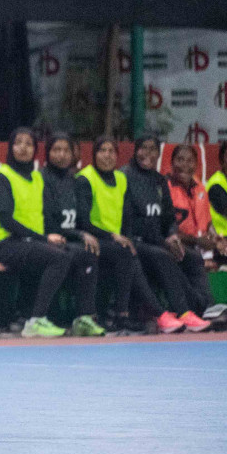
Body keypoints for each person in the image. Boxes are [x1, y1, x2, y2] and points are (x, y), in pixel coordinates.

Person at [0, 127, 77, 338]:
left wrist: (56, 237)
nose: (23, 148)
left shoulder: (37, 178)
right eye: (18, 143)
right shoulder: (1, 178)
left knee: (74, 253)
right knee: (59, 259)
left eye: (29, 144)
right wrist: (44, 239)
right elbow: (7, 221)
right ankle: (36, 320)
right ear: (10, 147)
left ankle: (73, 316)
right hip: (4, 243)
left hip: (29, 242)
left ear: (35, 149)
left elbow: (44, 215)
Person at [75, 136, 171, 333]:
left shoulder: (121, 179)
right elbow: (83, 221)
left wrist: (127, 238)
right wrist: (112, 236)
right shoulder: (85, 178)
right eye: (102, 151)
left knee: (128, 250)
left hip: (114, 240)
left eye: (112, 151)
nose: (107, 155)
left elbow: (126, 216)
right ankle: (129, 314)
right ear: (94, 154)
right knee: (124, 253)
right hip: (93, 237)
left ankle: (126, 314)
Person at [125, 136, 211, 332]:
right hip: (134, 241)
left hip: (157, 240)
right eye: (143, 148)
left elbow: (169, 218)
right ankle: (182, 311)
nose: (148, 153)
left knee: (193, 257)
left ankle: (205, 307)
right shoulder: (125, 176)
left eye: (153, 149)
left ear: (158, 154)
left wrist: (172, 235)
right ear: (135, 150)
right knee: (163, 255)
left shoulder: (158, 180)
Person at [37, 133, 105, 335]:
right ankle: (47, 316)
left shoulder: (74, 180)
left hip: (70, 238)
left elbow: (82, 218)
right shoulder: (41, 179)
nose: (62, 155)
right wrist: (79, 235)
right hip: (48, 237)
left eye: (66, 150)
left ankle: (85, 317)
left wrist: (85, 233)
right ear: (47, 153)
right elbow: (49, 221)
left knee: (90, 252)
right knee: (77, 253)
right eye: (56, 150)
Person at [164, 144, 218, 315]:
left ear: (196, 165)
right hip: (176, 245)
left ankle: (209, 308)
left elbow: (208, 223)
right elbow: (167, 229)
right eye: (180, 160)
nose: (185, 165)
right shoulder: (166, 188)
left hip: (201, 247)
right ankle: (205, 307)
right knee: (192, 258)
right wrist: (198, 242)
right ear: (172, 163)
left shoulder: (200, 188)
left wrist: (214, 238)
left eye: (190, 161)